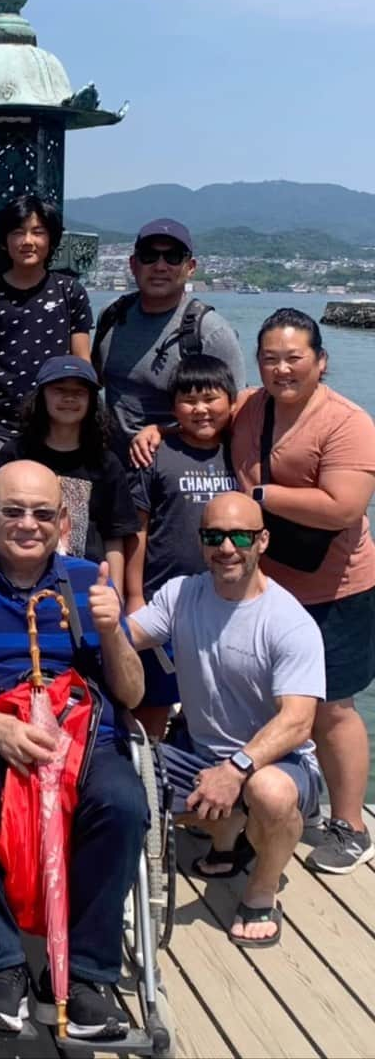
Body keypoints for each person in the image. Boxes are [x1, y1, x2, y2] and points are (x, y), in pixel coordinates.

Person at [0, 460, 147, 1039]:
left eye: (42, 512)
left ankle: (87, 977)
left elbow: (132, 693)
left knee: (123, 801)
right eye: (12, 511)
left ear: (63, 519)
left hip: (81, 729)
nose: (28, 523)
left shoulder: (86, 580)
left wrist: (113, 629)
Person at [91, 492, 325, 948]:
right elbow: (127, 637)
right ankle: (227, 832)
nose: (227, 548)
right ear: (201, 542)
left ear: (263, 541)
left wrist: (235, 770)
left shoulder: (289, 622)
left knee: (269, 793)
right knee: (112, 783)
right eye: (214, 536)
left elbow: (298, 723)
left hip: (277, 764)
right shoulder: (181, 593)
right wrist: (101, 621)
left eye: (240, 536)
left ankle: (261, 889)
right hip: (197, 753)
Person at [231, 308, 375, 872]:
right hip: (267, 585)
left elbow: (344, 506)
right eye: (270, 358)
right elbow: (202, 417)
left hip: (336, 587)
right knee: (264, 699)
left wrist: (258, 497)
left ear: (321, 361)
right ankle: (269, 807)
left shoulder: (347, 422)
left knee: (331, 706)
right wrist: (154, 432)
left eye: (295, 357)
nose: (282, 369)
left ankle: (350, 824)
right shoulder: (249, 406)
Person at [127, 354, 239, 737]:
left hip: (226, 601)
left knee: (215, 696)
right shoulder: (156, 453)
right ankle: (150, 769)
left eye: (211, 399)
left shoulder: (241, 450)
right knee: (154, 699)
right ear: (174, 406)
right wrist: (133, 595)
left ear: (231, 401)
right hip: (163, 597)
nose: (201, 409)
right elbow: (137, 529)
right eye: (189, 401)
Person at [0, 193, 93, 480]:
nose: (27, 241)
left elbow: (82, 361)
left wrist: (87, 420)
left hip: (57, 423)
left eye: (37, 232)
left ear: (52, 239)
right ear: (4, 240)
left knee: (61, 508)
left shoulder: (69, 293)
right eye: (17, 232)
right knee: (0, 506)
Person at [92, 217, 245, 463]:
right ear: (133, 264)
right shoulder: (112, 315)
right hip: (113, 467)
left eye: (173, 257)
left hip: (177, 470)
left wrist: (163, 431)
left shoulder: (210, 332)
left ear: (191, 266)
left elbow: (235, 413)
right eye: (149, 256)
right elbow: (94, 382)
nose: (160, 266)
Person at [0, 355, 140, 595]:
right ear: (42, 396)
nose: (69, 398)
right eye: (59, 390)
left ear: (91, 400)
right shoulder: (15, 454)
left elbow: (115, 535)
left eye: (79, 392)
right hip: (18, 582)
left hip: (86, 583)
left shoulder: (105, 463)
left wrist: (115, 593)